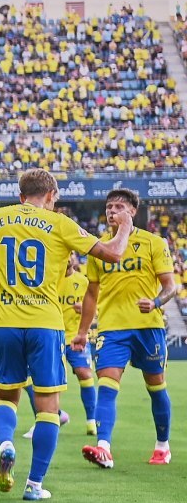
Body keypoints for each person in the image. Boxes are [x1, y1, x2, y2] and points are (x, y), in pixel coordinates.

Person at [0, 169, 131, 501]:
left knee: (5, 398)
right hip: (45, 325)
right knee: (48, 409)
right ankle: (34, 484)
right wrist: (126, 227)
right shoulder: (60, 224)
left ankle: (6, 443)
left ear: (21, 196)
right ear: (50, 195)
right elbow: (113, 254)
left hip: (5, 324)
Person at [77, 189, 176, 468]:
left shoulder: (153, 242)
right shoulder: (99, 249)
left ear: (132, 212)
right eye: (109, 207)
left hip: (148, 327)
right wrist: (83, 331)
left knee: (156, 388)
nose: (112, 211)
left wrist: (156, 302)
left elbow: (171, 286)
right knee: (107, 385)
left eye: (118, 206)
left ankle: (162, 446)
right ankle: (104, 447)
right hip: (111, 329)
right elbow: (91, 293)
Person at [58, 257, 99, 436]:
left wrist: (86, 309)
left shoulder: (83, 282)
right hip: (54, 336)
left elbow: (97, 308)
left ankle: (92, 420)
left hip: (76, 336)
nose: (67, 257)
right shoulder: (52, 280)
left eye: (70, 253)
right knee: (50, 381)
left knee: (85, 374)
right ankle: (52, 417)